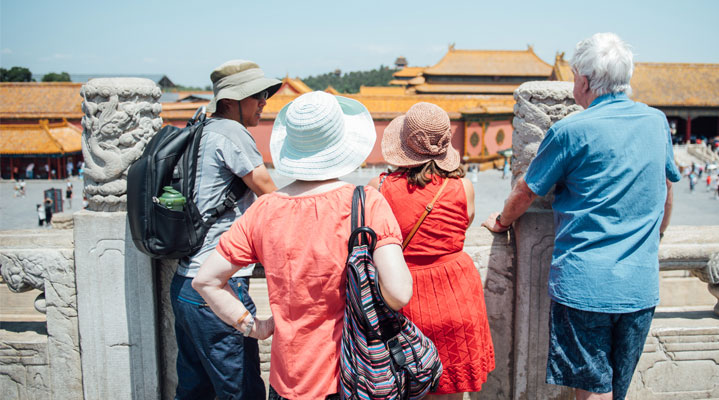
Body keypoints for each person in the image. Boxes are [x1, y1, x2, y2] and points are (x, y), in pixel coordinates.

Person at [482, 33, 680, 400]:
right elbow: (667, 189)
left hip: (585, 285)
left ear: (585, 82)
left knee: (591, 391)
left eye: (574, 76)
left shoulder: (570, 130)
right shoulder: (656, 122)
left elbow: (527, 191)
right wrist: (658, 233)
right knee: (617, 387)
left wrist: (502, 222)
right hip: (639, 285)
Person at [193, 91, 413, 399]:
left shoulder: (263, 209)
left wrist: (254, 327)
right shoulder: (367, 203)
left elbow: (205, 280)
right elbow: (399, 293)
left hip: (288, 379)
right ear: (342, 142)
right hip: (356, 374)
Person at [170, 59, 282, 400]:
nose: (263, 102)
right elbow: (269, 194)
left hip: (186, 284)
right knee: (242, 390)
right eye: (257, 95)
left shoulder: (201, 129)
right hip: (219, 287)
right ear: (231, 101)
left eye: (265, 94)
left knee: (194, 389)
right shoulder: (233, 133)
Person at [368, 102, 495, 398]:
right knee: (451, 391)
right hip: (457, 295)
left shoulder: (379, 187)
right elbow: (464, 223)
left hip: (405, 296)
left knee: (406, 386)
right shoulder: (463, 187)